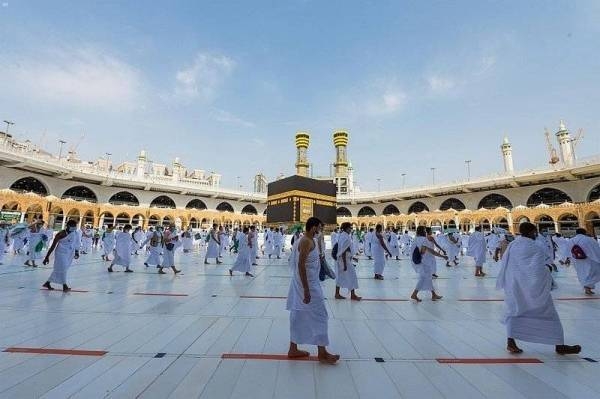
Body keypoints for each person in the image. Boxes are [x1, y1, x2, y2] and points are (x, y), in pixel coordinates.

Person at [496, 222, 581, 355]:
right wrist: (548, 268)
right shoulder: (535, 246)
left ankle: (511, 343)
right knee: (549, 315)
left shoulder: (514, 245)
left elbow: (506, 264)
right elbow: (536, 271)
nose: (536, 234)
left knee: (515, 312)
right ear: (531, 232)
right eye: (534, 232)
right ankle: (559, 345)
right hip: (532, 289)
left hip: (515, 286)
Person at [286, 217, 339, 365]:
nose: (320, 231)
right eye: (319, 228)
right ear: (313, 227)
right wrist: (306, 290)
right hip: (307, 285)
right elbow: (300, 266)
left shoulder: (311, 241)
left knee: (298, 315)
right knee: (320, 316)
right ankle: (322, 353)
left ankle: (293, 349)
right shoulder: (305, 241)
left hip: (307, 284)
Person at [410, 226, 446, 302]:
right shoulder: (423, 239)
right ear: (423, 231)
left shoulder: (416, 238)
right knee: (423, 278)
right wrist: (442, 256)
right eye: (424, 231)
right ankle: (414, 294)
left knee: (428, 277)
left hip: (416, 260)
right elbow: (428, 251)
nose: (425, 232)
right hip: (422, 262)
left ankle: (433, 294)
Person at [42, 219, 80, 291]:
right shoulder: (60, 234)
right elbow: (53, 246)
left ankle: (47, 283)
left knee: (60, 269)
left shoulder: (75, 233)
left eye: (75, 226)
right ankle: (64, 286)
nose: (74, 228)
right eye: (73, 226)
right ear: (68, 226)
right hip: (61, 253)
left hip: (69, 253)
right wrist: (46, 257)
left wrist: (77, 252)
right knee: (63, 268)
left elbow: (77, 243)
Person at [569, 228, 600, 295]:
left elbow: (568, 250)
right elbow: (596, 249)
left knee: (582, 273)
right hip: (589, 260)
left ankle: (587, 287)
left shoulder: (571, 240)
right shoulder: (589, 239)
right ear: (585, 233)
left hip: (577, 260)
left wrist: (568, 259)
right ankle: (587, 286)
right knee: (594, 273)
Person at [334, 222, 361, 300]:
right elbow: (343, 251)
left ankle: (337, 293)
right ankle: (352, 295)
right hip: (344, 260)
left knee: (341, 277)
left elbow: (347, 249)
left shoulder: (343, 235)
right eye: (350, 228)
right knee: (352, 276)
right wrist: (345, 264)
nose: (351, 229)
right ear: (346, 228)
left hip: (343, 260)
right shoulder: (346, 237)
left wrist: (353, 258)